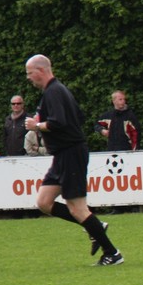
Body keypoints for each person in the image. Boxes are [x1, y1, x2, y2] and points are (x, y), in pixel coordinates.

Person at [24, 55, 122, 265]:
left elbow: (59, 122)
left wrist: (37, 126)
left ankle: (112, 253)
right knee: (44, 202)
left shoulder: (54, 92)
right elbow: (78, 117)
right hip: (62, 155)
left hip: (71, 154)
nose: (28, 78)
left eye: (29, 73)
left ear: (40, 70)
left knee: (77, 208)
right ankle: (95, 226)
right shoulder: (56, 91)